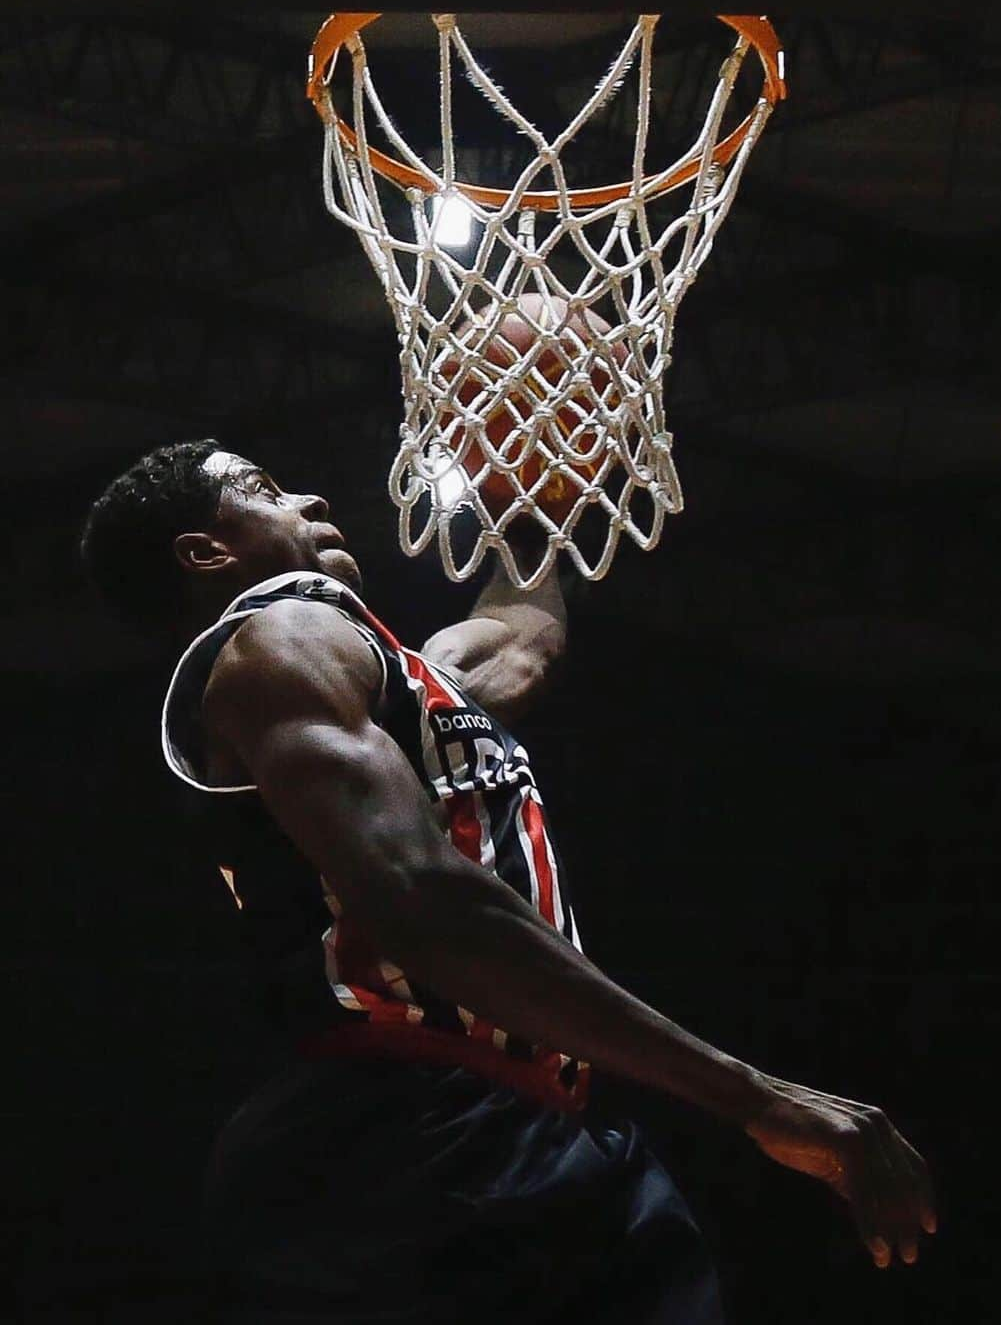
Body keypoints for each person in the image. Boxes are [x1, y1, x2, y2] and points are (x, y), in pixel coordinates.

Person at [81, 439, 935, 1323]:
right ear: (206, 552)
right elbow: (424, 902)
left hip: (525, 1120)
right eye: (263, 489)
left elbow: (524, 640)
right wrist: (756, 1098)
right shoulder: (276, 638)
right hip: (400, 1133)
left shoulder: (382, 673)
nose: (308, 496)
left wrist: (531, 484)